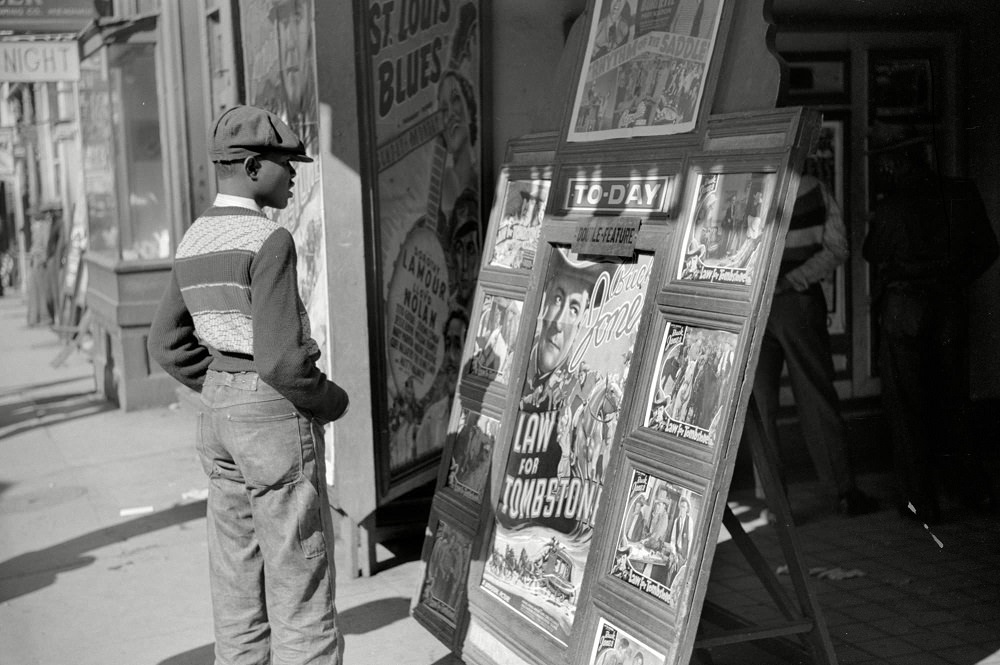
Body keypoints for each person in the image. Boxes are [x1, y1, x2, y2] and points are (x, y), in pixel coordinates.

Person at [147, 105, 349, 665]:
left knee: (236, 590)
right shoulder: (269, 240)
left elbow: (165, 343)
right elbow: (283, 362)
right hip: (272, 417)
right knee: (300, 588)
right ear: (255, 166)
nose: (294, 175)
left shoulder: (194, 238)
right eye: (288, 165)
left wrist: (219, 381)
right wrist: (332, 400)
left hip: (219, 415)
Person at [863, 132, 998, 523]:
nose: (884, 169)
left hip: (905, 309)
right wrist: (953, 279)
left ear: (898, 163)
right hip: (950, 308)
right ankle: (974, 491)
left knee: (908, 406)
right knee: (953, 401)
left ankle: (922, 502)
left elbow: (872, 251)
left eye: (887, 162)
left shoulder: (893, 207)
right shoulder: (961, 193)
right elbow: (988, 249)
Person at [750, 169, 879, 518]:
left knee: (761, 406)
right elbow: (838, 248)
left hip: (752, 307)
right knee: (816, 396)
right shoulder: (813, 190)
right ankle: (843, 492)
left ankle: (776, 505)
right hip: (799, 302)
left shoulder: (745, 189)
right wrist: (793, 279)